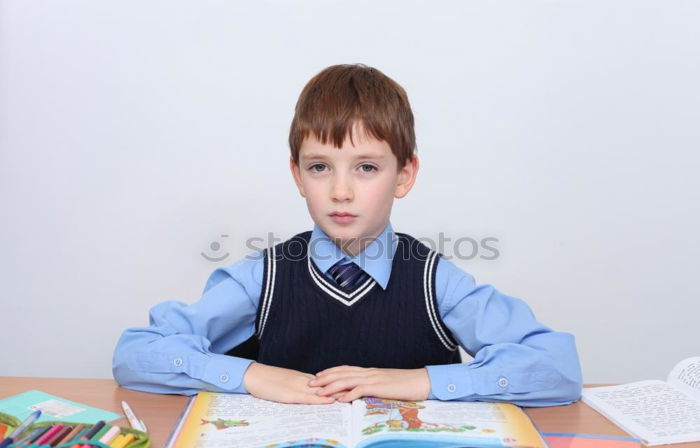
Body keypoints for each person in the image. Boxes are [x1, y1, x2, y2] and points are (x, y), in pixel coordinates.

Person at [112, 63, 583, 407]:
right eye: (320, 167)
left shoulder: (437, 281)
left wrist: (421, 382)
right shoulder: (262, 276)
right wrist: (253, 375)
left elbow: (558, 367)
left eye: (367, 168)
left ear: (404, 175)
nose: (340, 191)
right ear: (297, 175)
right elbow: (136, 352)